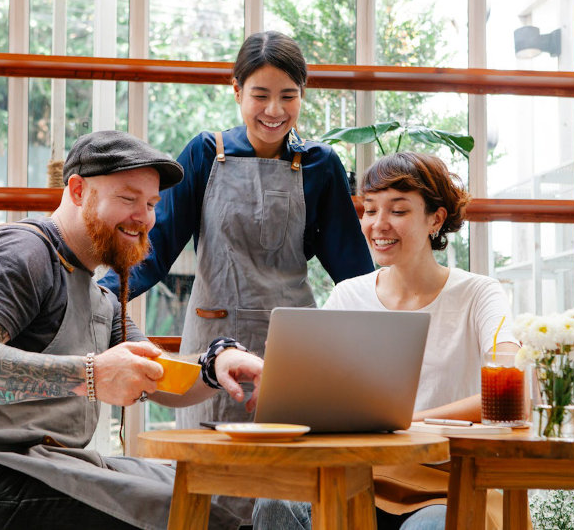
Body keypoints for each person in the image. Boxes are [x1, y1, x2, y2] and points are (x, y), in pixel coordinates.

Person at [0, 130, 264, 530]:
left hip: (44, 470)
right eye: (128, 199)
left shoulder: (100, 297)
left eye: (151, 203)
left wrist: (216, 362)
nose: (143, 217)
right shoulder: (21, 252)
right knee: (190, 518)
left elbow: (158, 378)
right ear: (77, 190)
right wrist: (92, 375)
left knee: (214, 500)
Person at [99, 31, 373, 430]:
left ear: (303, 94)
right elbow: (154, 250)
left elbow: (354, 274)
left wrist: (389, 338)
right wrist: (100, 294)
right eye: (260, 95)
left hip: (293, 347)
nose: (274, 110)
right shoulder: (205, 153)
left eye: (288, 95)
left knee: (289, 479)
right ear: (237, 91)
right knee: (210, 476)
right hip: (212, 347)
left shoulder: (321, 165)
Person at [252, 152, 520, 530]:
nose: (378, 225)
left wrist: (404, 424)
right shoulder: (348, 295)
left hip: (449, 483)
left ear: (435, 219)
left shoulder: (479, 294)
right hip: (358, 478)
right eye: (370, 209)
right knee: (274, 505)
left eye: (397, 211)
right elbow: (313, 391)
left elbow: (511, 389)